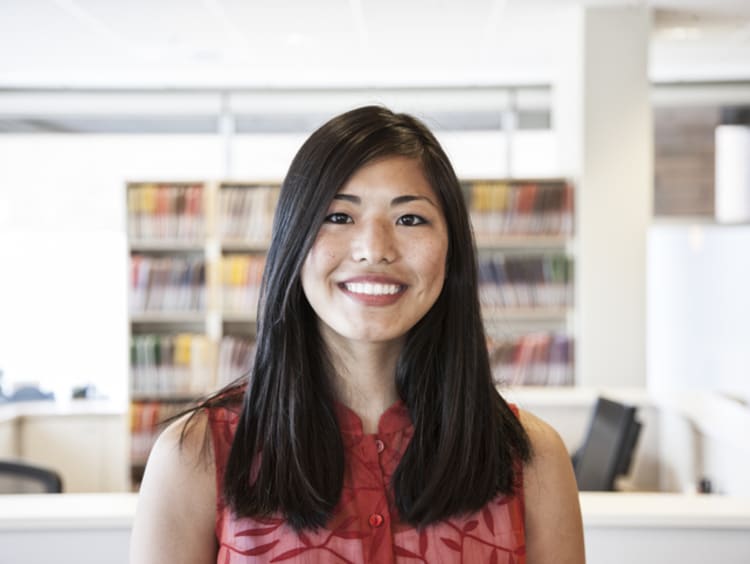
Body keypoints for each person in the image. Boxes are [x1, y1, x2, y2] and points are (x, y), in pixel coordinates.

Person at [130, 106, 585, 563]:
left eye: (410, 219)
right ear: (294, 240)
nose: (374, 250)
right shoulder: (195, 456)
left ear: (452, 250)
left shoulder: (533, 459)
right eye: (338, 216)